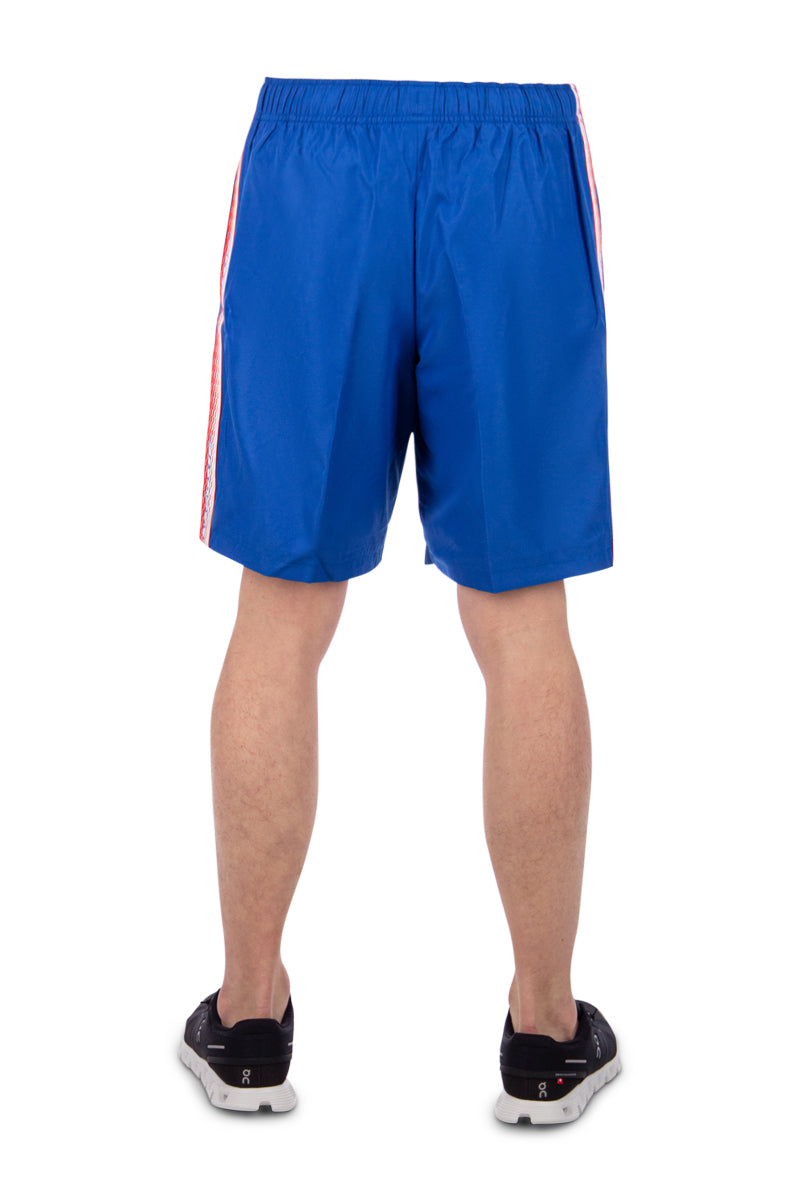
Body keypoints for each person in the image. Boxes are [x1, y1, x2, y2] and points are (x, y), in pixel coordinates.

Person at [180, 76, 621, 1125]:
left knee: (280, 609)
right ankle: (546, 1032)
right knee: (523, 614)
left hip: (316, 157)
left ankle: (247, 1020)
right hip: (514, 154)